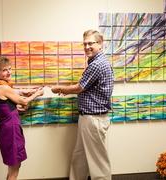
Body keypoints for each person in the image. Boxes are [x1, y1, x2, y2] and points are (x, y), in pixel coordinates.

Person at [51, 29, 114, 180]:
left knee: (98, 163)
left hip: (93, 119)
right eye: (85, 44)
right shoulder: (96, 62)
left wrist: (60, 88)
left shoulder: (97, 64)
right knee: (80, 157)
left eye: (91, 43)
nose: (87, 47)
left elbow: (80, 87)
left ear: (100, 44)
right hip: (88, 118)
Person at [0, 56, 44, 180]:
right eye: (4, 70)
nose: (9, 72)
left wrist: (25, 92)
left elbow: (13, 96)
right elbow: (24, 102)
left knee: (13, 167)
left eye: (10, 69)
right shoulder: (4, 87)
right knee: (14, 169)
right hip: (11, 131)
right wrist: (37, 93)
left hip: (7, 129)